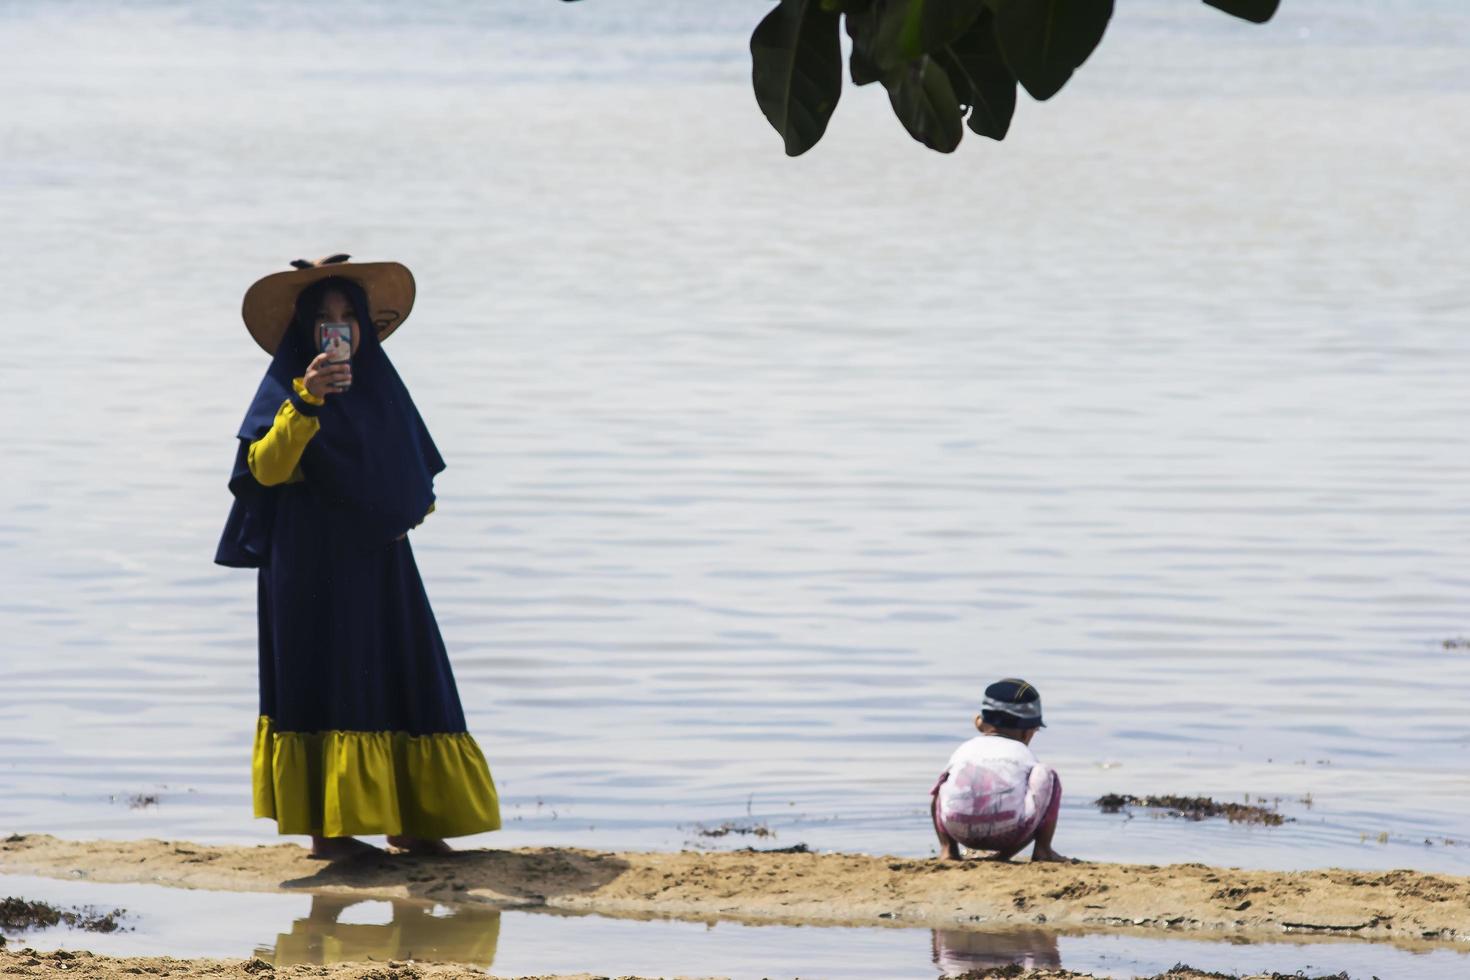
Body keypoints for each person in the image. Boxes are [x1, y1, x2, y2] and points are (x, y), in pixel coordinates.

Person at [215, 254, 500, 861]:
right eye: (325, 319)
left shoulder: (382, 388)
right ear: (305, 330)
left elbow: (414, 476)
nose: (337, 329)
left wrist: (403, 514)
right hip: (309, 562)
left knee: (404, 675)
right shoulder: (286, 386)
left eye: (349, 317)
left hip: (378, 559)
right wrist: (307, 402)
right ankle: (330, 834)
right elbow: (263, 470)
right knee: (326, 678)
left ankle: (412, 822)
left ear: (366, 328)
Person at [930, 678, 1068, 862]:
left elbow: (937, 794)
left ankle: (948, 850)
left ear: (978, 722)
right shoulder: (1023, 754)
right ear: (1027, 732)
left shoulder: (965, 749)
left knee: (943, 782)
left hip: (958, 828)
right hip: (1010, 831)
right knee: (1047, 775)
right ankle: (1043, 850)